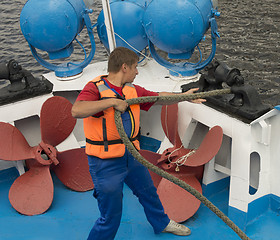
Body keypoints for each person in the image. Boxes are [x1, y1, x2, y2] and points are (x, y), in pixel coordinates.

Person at [71, 47, 205, 240]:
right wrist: (111, 103)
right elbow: (77, 110)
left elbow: (158, 97)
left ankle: (162, 223)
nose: (137, 72)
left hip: (132, 156)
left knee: (148, 191)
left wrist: (186, 97)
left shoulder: (132, 90)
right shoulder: (95, 88)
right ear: (124, 67)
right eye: (135, 67)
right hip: (105, 163)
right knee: (111, 215)